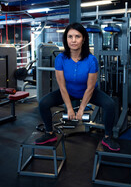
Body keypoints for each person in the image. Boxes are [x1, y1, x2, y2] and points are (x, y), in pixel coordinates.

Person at [35, 22, 120, 151]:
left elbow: (90, 88)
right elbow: (62, 86)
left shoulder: (91, 60)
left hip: (88, 91)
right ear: (66, 39)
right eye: (70, 37)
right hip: (68, 91)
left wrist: (81, 110)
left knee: (109, 105)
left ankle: (107, 136)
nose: (73, 40)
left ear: (83, 39)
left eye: (77, 36)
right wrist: (69, 108)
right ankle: (49, 133)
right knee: (43, 103)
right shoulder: (60, 59)